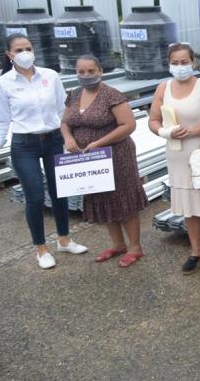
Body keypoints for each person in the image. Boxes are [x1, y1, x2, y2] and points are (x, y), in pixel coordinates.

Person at [0, 33, 88, 268]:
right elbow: (1, 121)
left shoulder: (50, 76)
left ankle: (64, 239)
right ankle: (41, 249)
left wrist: (72, 137)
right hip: (25, 146)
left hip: (53, 140)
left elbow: (65, 110)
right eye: (19, 50)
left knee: (60, 191)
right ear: (9, 55)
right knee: (34, 196)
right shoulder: (4, 83)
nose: (25, 54)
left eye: (28, 48)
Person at [148, 43, 200, 277]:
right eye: (175, 63)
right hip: (178, 154)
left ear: (193, 62)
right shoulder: (163, 89)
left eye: (184, 62)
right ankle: (196, 249)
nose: (180, 67)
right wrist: (167, 132)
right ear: (169, 64)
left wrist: (195, 131)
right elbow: (153, 121)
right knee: (189, 206)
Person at [60, 55, 149, 267]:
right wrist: (69, 138)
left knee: (123, 198)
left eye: (91, 71)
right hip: (89, 160)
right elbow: (65, 122)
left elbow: (128, 125)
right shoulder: (73, 95)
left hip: (117, 156)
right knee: (103, 198)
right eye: (81, 72)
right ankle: (118, 244)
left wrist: (100, 142)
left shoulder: (112, 95)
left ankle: (135, 247)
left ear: (100, 71)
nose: (86, 75)